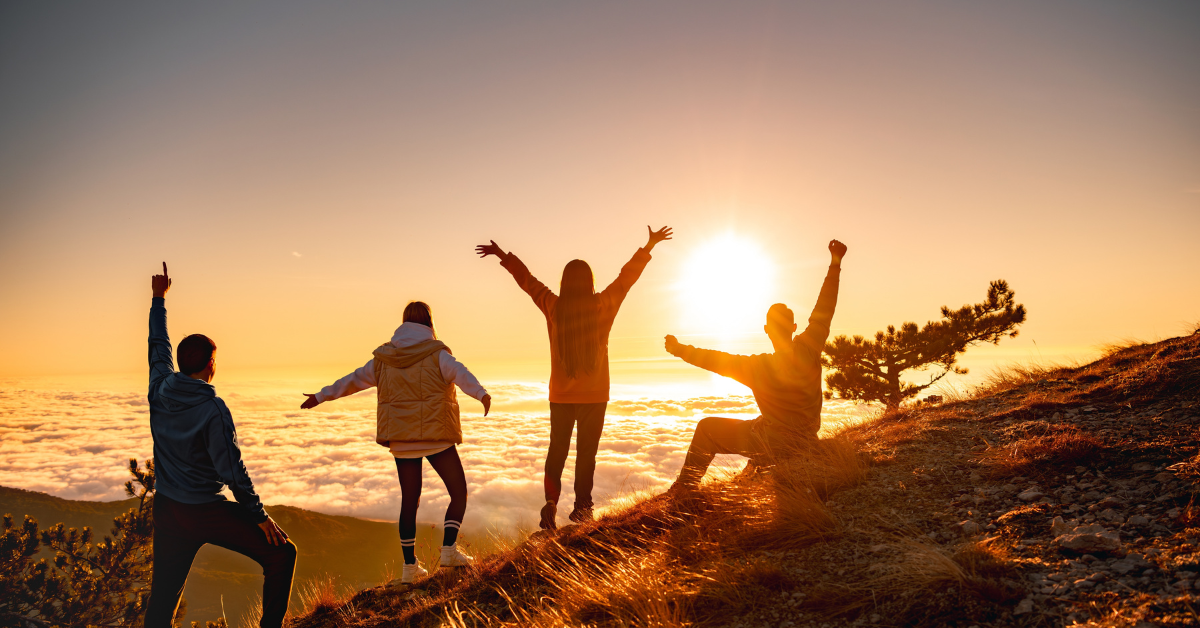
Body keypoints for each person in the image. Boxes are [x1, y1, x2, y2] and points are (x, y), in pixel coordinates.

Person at [476, 226, 672, 529]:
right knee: (586, 455)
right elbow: (626, 279)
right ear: (589, 282)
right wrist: (649, 246)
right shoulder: (602, 305)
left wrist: (504, 255)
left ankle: (550, 504)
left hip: (561, 396)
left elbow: (528, 282)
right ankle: (582, 508)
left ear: (564, 283)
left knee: (557, 450)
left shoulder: (555, 307)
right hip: (594, 396)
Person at [144, 263, 296, 628]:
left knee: (162, 596)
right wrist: (259, 516)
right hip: (205, 511)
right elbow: (232, 471)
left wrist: (158, 299)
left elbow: (157, 344)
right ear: (212, 365)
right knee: (282, 554)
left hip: (167, 508)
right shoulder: (213, 409)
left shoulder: (159, 385)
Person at [300, 301, 491, 584]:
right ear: (429, 322)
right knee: (458, 491)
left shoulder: (383, 358)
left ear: (403, 323)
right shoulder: (437, 353)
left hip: (401, 439)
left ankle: (409, 568)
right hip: (435, 436)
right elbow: (461, 374)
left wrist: (320, 396)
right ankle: (449, 550)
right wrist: (482, 394)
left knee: (409, 502)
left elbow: (352, 381)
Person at [664, 239, 847, 488]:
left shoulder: (758, 367)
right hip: (807, 439)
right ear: (794, 328)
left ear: (766, 330)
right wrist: (835, 263)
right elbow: (826, 305)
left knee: (707, 428)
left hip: (774, 445)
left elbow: (715, 360)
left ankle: (684, 488)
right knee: (758, 423)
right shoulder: (810, 347)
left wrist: (679, 350)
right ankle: (755, 467)